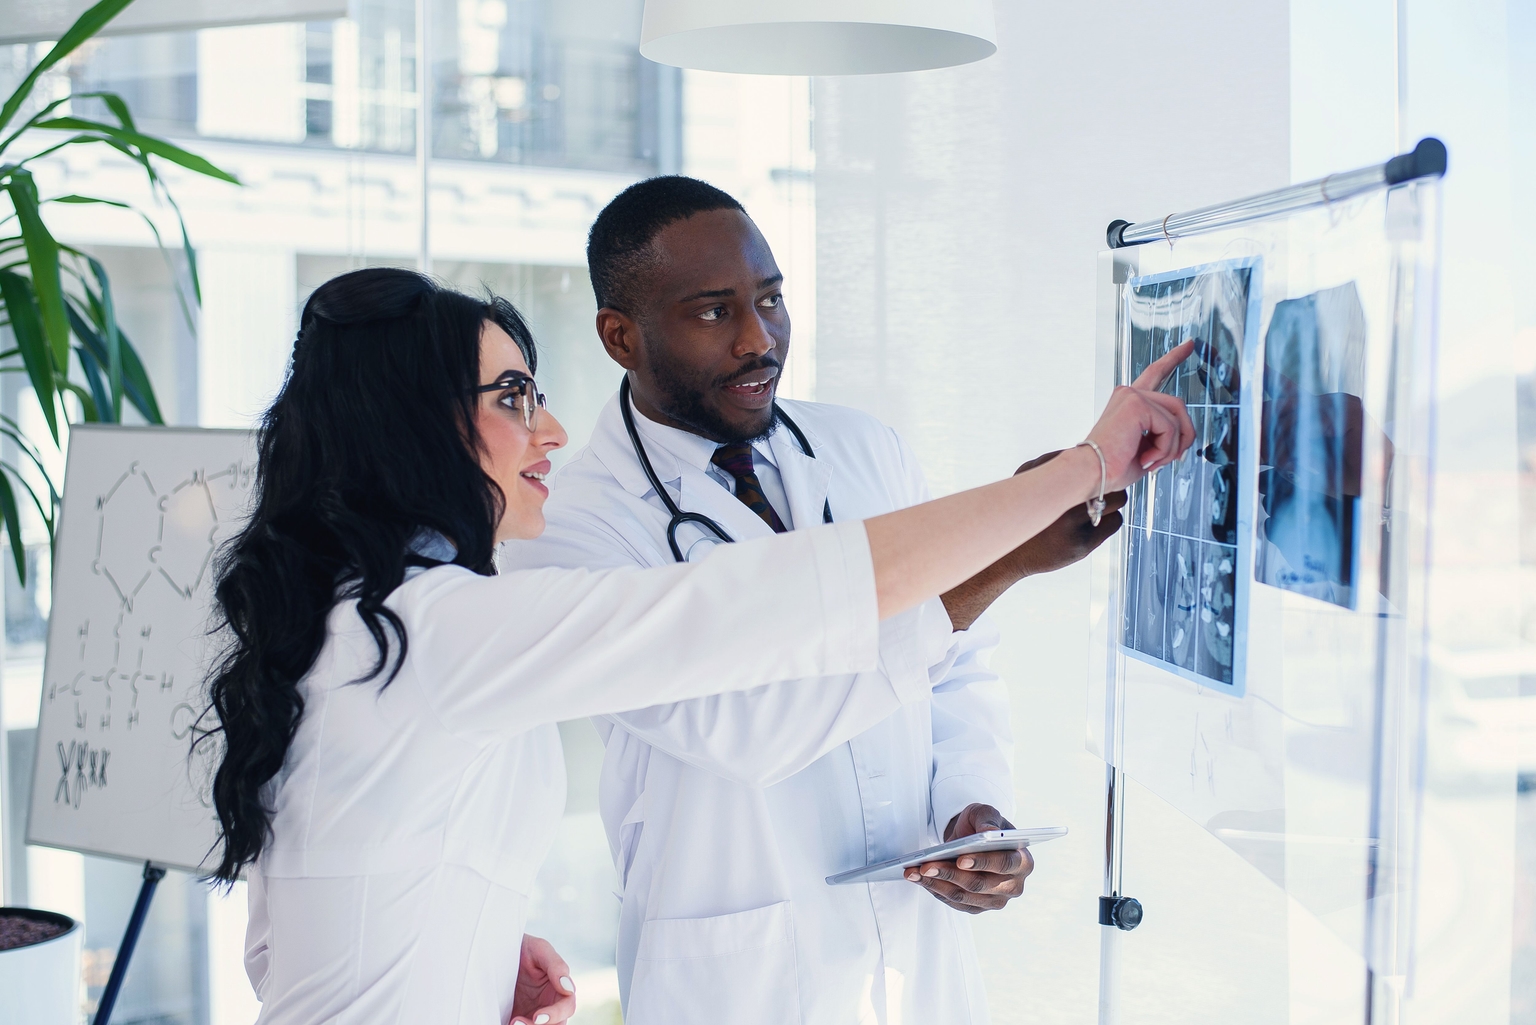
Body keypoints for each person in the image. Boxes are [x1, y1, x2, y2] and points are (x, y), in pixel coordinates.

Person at [205, 267, 1190, 1025]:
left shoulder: (357, 616)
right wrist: (1078, 471)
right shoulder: (440, 630)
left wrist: (475, 951)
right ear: (410, 429)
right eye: (511, 397)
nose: (547, 428)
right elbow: (775, 603)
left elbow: (282, 945)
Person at [497, 176, 1143, 1025]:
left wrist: (970, 808)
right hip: (736, 981)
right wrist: (994, 564)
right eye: (711, 311)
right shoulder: (571, 528)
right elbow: (749, 728)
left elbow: (956, 662)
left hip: (916, 964)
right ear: (621, 336)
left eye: (770, 299)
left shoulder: (862, 447)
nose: (757, 339)